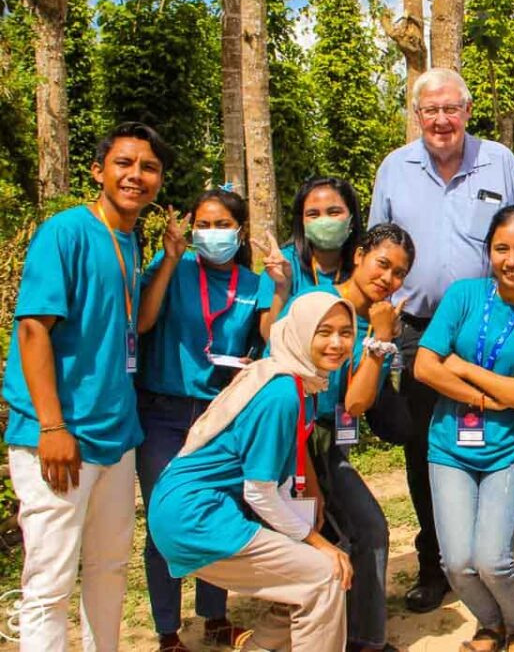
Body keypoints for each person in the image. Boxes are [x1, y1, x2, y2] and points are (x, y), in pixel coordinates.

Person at [2, 122, 169, 650]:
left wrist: (173, 257)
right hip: (60, 437)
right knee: (49, 583)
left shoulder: (129, 240)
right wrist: (52, 425)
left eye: (148, 167)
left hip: (115, 437)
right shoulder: (67, 232)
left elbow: (135, 322)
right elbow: (33, 329)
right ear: (98, 171)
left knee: (109, 568)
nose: (135, 175)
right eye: (124, 163)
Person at [369, 67, 514, 612]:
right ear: (418, 115)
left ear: (467, 111)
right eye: (430, 110)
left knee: (495, 432)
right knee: (424, 447)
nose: (441, 120)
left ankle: (492, 553)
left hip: (488, 328)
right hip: (418, 333)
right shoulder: (394, 167)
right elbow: (376, 249)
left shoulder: (500, 161)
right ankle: (436, 562)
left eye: (450, 109)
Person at [148, 291, 356, 652]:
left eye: (346, 332)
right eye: (324, 332)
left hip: (186, 508)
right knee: (325, 574)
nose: (336, 343)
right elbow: (258, 490)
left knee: (301, 577)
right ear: (301, 331)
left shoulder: (287, 376)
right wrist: (317, 542)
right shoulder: (282, 394)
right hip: (197, 516)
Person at [414, 206, 514, 652]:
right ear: (489, 252)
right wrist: (492, 396)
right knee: (456, 562)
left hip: (509, 450)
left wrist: (459, 366)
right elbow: (423, 366)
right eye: (501, 248)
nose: (511, 260)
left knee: (494, 561)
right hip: (449, 448)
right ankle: (490, 624)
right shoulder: (463, 296)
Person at [264, 224, 415, 652]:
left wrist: (382, 337)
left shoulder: (379, 323)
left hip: (328, 445)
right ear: (359, 255)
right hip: (285, 445)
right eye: (382, 263)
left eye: (399, 273)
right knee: (336, 537)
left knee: (369, 529)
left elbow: (356, 403)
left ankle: (364, 639)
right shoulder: (315, 304)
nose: (387, 278)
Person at [135, 187, 261, 651]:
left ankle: (215, 616)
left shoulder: (253, 284)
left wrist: (283, 289)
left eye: (222, 225)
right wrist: (168, 260)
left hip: (219, 415)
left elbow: (264, 341)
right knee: (164, 518)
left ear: (239, 230)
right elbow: (144, 322)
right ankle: (168, 632)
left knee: (217, 513)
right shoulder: (176, 268)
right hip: (163, 413)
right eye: (203, 225)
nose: (212, 234)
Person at [258, 176, 364, 339]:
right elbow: (268, 337)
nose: (324, 221)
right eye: (313, 214)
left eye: (334, 212)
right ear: (302, 222)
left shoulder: (365, 265)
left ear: (352, 219)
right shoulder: (282, 264)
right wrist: (282, 288)